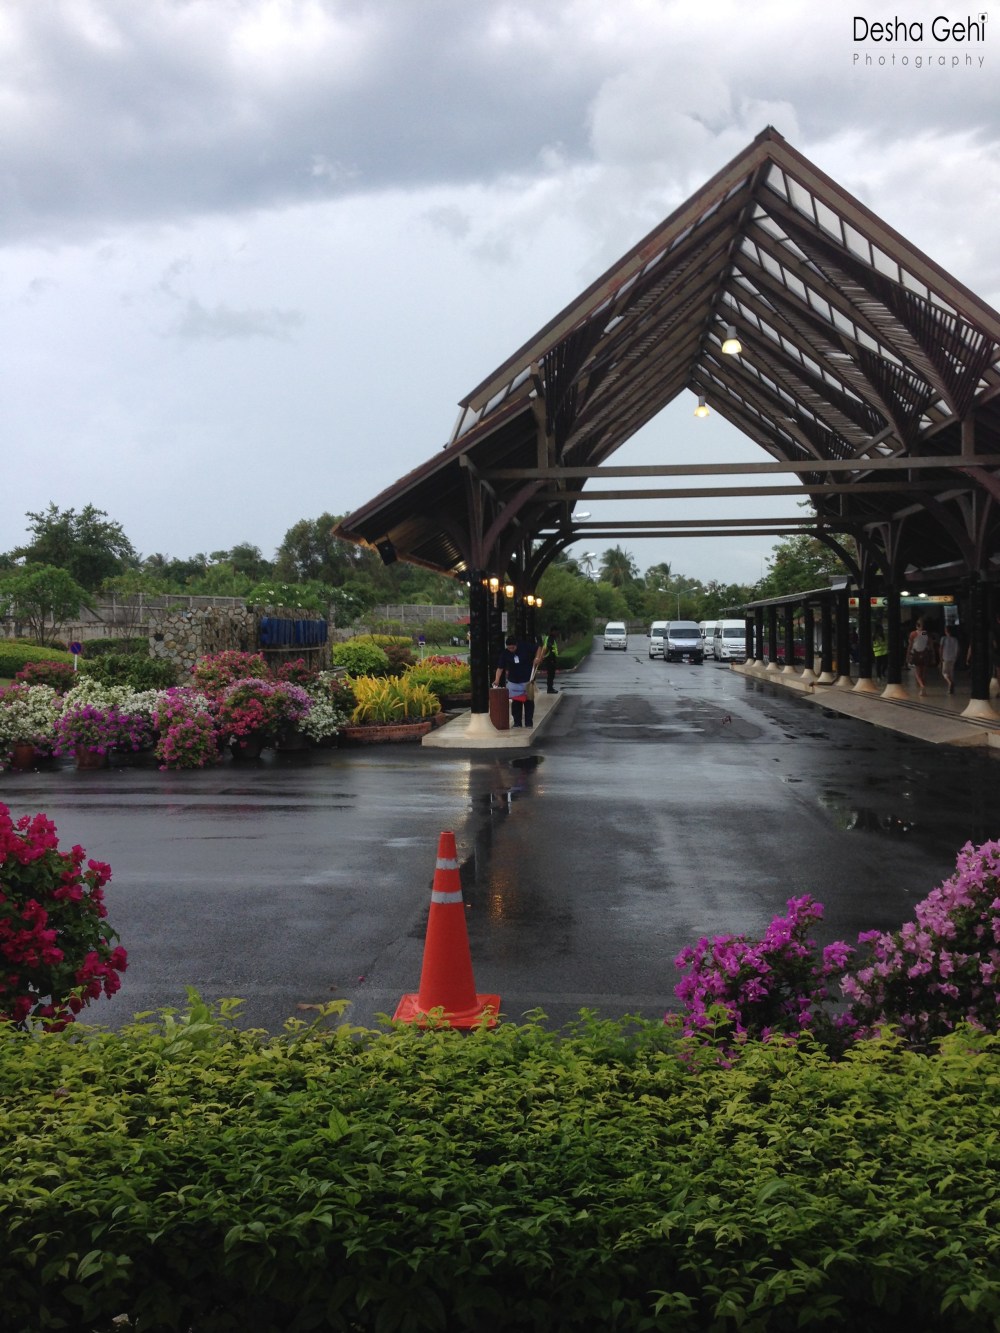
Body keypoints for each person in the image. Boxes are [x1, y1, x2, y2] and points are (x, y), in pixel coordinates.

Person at [493, 634, 544, 728]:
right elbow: (500, 668)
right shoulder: (505, 653)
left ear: (517, 645)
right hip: (514, 681)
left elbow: (538, 648)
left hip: (528, 680)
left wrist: (537, 658)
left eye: (513, 648)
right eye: (509, 648)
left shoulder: (525, 646)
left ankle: (529, 723)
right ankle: (517, 723)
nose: (511, 650)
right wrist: (497, 680)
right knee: (516, 703)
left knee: (529, 702)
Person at [907, 617, 936, 696]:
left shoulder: (913, 634)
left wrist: (908, 655)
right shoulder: (925, 633)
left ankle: (922, 686)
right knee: (923, 673)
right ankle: (923, 690)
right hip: (925, 654)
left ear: (916, 625)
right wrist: (933, 656)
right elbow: (931, 644)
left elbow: (910, 645)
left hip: (916, 654)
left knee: (917, 673)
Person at [939, 623, 960, 695]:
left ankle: (950, 682)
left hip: (945, 657)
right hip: (953, 658)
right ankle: (950, 689)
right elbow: (957, 649)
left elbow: (941, 648)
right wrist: (956, 657)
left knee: (944, 672)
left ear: (946, 631)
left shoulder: (943, 639)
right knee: (951, 673)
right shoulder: (955, 639)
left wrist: (940, 657)